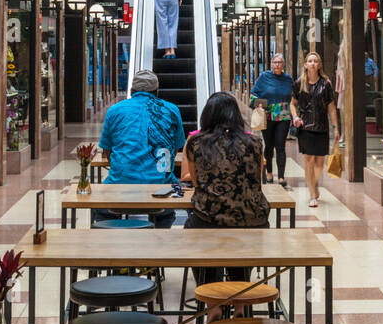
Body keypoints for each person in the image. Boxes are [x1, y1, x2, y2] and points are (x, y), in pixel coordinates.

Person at [184, 92, 270, 294]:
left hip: (209, 221)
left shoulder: (196, 143)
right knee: (240, 242)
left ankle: (211, 296)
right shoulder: (255, 144)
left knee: (197, 232)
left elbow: (197, 183)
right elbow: (256, 182)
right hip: (253, 223)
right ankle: (240, 297)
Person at [96, 69, 186, 228]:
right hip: (162, 187)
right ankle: (161, 231)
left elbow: (107, 153)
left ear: (131, 91)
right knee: (166, 210)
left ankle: (110, 236)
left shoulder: (115, 111)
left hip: (119, 186)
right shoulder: (172, 110)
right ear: (157, 92)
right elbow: (175, 149)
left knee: (101, 209)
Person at [291, 51, 339, 208]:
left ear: (319, 65)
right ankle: (312, 194)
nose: (312, 63)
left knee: (319, 163)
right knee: (309, 160)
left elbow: (331, 108)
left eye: (315, 61)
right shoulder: (299, 83)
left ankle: (314, 182)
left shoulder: (326, 84)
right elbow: (292, 103)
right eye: (310, 61)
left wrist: (336, 127)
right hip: (305, 127)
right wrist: (295, 117)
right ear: (305, 65)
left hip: (322, 126)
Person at [250, 53, 294, 187]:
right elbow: (253, 94)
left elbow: (294, 96)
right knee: (269, 146)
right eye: (275, 62)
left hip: (283, 116)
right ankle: (269, 172)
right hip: (268, 115)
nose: (277, 65)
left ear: (283, 65)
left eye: (280, 62)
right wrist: (259, 104)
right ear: (271, 64)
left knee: (280, 146)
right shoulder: (264, 77)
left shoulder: (288, 79)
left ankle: (281, 176)